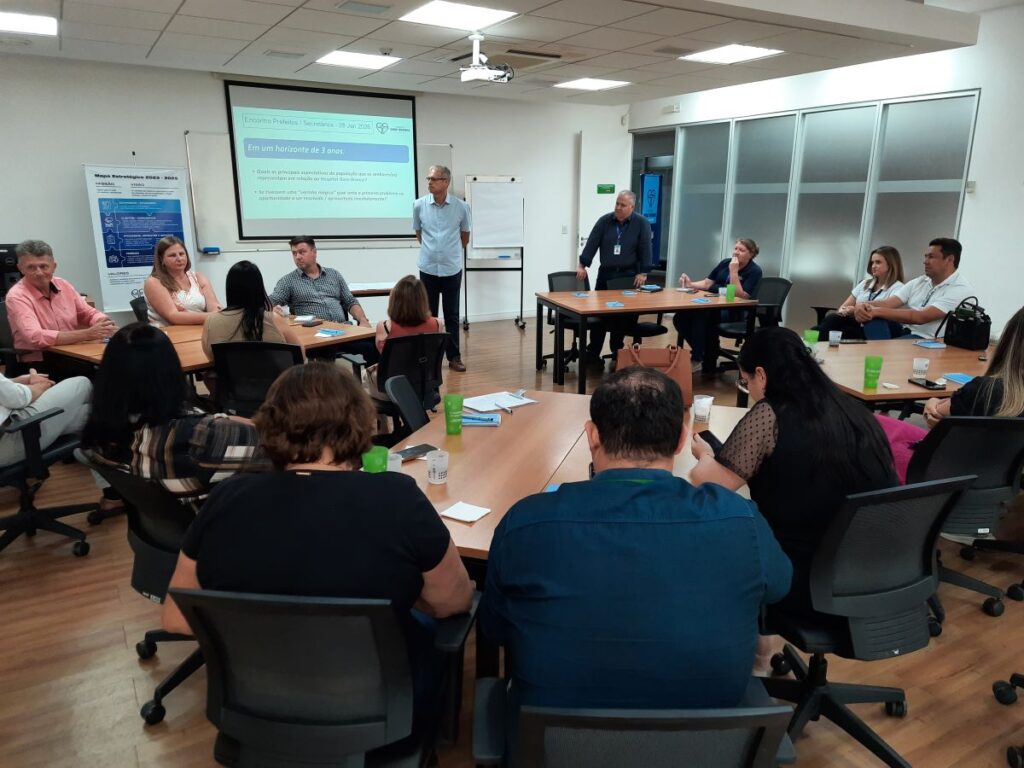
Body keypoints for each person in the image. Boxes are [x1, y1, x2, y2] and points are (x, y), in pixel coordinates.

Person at [160, 362, 474, 724]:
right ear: (360, 423)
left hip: (256, 701)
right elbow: (453, 602)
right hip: (379, 707)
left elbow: (176, 618)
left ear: (270, 423)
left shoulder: (224, 499)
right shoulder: (398, 498)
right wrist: (406, 594)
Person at [479, 367, 792, 722]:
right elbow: (779, 587)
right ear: (681, 439)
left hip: (554, 745)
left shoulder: (525, 525)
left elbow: (496, 627)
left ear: (592, 436)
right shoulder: (741, 520)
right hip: (707, 743)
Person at [690, 327, 897, 617]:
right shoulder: (850, 408)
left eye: (746, 381)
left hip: (804, 573)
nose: (749, 390)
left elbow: (711, 484)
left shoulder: (770, 413)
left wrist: (705, 454)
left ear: (761, 375)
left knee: (709, 536)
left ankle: (750, 637)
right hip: (876, 565)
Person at [81, 323, 269, 500]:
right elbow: (273, 446)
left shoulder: (99, 433)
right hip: (218, 515)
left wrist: (221, 419)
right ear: (171, 372)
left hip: (171, 512)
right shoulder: (198, 439)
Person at [268, 235, 378, 364]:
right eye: (294, 253)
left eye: (302, 252)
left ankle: (376, 375)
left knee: (375, 341)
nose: (297, 257)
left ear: (314, 252)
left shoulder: (334, 275)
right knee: (332, 352)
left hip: (344, 331)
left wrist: (363, 320)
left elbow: (350, 301)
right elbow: (269, 302)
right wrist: (273, 308)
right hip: (317, 336)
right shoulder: (288, 281)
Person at [6, 239, 117, 364]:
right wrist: (87, 334)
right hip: (40, 362)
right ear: (21, 268)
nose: (39, 273)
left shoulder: (63, 285)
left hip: (72, 353)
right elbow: (35, 337)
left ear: (54, 266)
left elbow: (87, 313)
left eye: (43, 266)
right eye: (31, 267)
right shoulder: (16, 296)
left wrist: (103, 323)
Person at [576, 190, 652, 363]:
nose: (618, 207)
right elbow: (592, 243)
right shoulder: (605, 221)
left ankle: (617, 351)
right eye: (617, 203)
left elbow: (646, 248)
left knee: (622, 317)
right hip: (606, 274)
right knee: (600, 316)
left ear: (632, 207)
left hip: (628, 276)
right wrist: (582, 265)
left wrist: (643, 272)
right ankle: (593, 352)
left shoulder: (641, 223)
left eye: (622, 205)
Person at [853, 237, 973, 339]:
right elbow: (888, 303)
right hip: (906, 331)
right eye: (925, 257)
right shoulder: (920, 281)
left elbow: (920, 317)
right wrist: (862, 305)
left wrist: (875, 311)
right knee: (868, 318)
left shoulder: (960, 289)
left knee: (874, 316)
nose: (925, 261)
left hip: (926, 339)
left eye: (931, 257)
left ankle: (881, 355)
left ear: (949, 259)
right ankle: (879, 353)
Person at [673, 238, 763, 374]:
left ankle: (697, 358)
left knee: (701, 316)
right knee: (680, 317)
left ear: (751, 254)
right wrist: (691, 284)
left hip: (735, 311)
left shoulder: (754, 271)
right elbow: (707, 283)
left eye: (741, 250)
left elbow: (741, 296)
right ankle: (706, 352)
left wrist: (734, 272)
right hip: (714, 305)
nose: (736, 252)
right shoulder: (725, 262)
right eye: (735, 248)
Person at [924, 304, 1024, 425]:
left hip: (963, 437)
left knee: (900, 428)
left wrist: (932, 401)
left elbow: (936, 413)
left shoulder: (983, 390)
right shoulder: (985, 391)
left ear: (1009, 340)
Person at [413, 165, 471, 372]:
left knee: (452, 315)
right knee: (428, 316)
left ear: (446, 182)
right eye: (428, 178)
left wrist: (448, 252)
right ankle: (428, 359)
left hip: (451, 268)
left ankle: (454, 357)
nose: (429, 182)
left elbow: (465, 236)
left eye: (434, 179)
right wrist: (433, 251)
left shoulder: (461, 207)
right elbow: (419, 234)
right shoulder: (419, 205)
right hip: (428, 268)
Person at [202, 260, 300, 359]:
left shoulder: (211, 321)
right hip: (275, 369)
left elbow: (210, 357)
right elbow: (300, 355)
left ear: (229, 289)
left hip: (234, 370)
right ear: (259, 288)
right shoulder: (274, 319)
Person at [0, 369, 92, 467]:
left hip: (9, 427)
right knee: (82, 383)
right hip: (12, 433)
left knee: (84, 412)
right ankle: (98, 456)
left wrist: (13, 382)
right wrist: (41, 386)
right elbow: (18, 398)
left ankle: (99, 459)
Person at [815, 246, 905, 339]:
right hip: (857, 323)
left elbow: (886, 312)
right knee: (833, 319)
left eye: (878, 262)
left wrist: (854, 310)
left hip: (876, 329)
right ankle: (809, 343)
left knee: (835, 330)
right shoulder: (864, 284)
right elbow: (843, 308)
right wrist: (847, 311)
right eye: (872, 262)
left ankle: (809, 344)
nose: (873, 266)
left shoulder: (899, 288)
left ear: (890, 264)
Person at [144, 235, 222, 326]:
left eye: (181, 254)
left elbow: (215, 306)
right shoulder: (153, 282)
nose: (179, 259)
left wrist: (216, 313)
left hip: (199, 328)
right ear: (161, 259)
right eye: (172, 255)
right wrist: (214, 316)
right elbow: (173, 317)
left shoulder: (199, 277)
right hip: (168, 332)